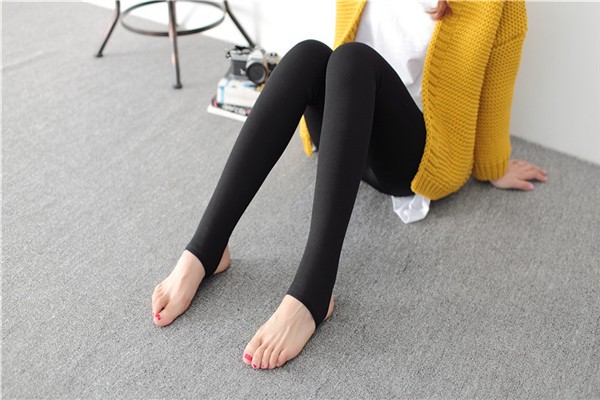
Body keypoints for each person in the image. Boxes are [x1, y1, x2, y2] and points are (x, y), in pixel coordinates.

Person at [151, 0, 547, 370]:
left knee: (354, 60)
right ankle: (207, 248)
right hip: (348, 129)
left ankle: (313, 292)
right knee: (308, 55)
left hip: (414, 155)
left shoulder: (498, 5)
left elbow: (497, 87)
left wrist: (494, 166)